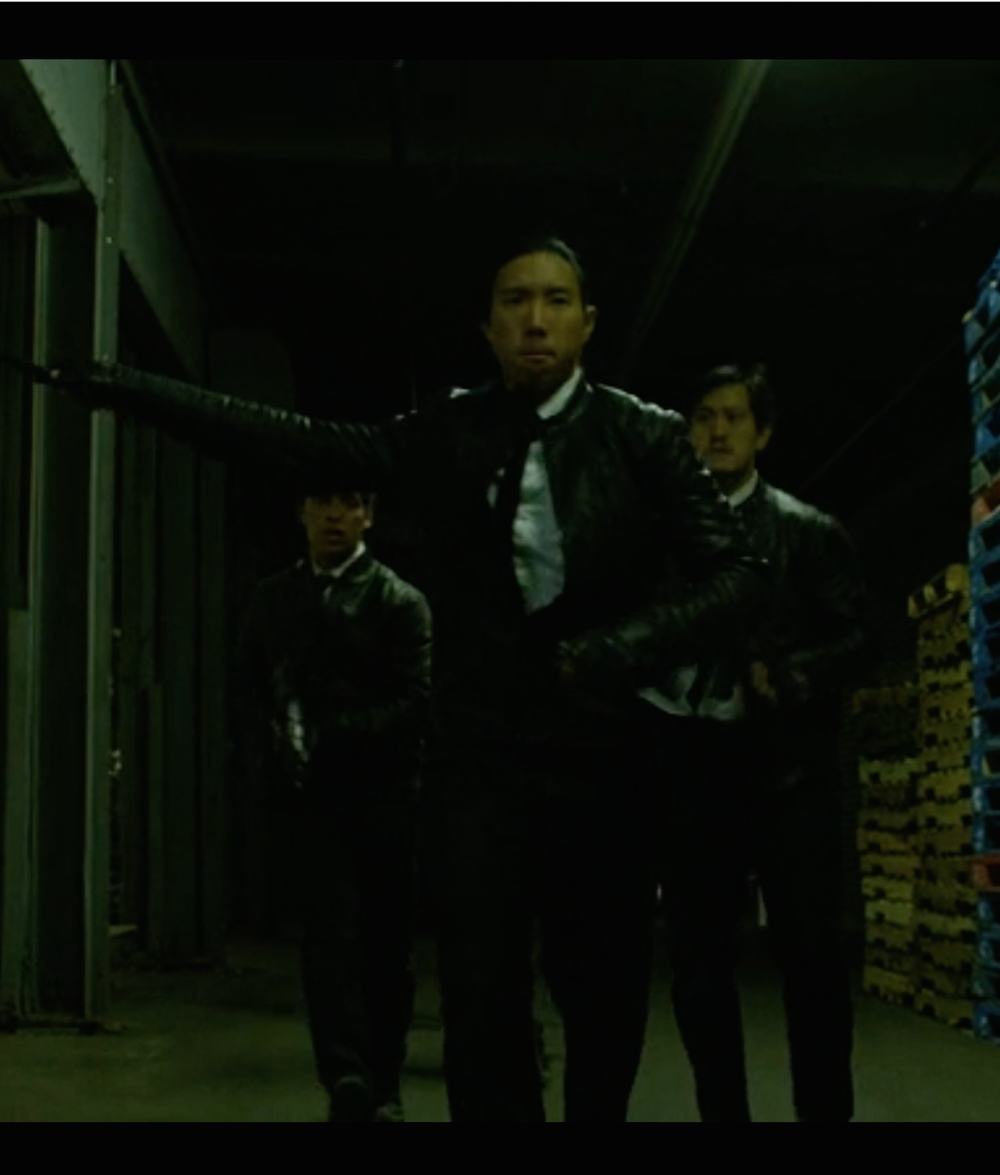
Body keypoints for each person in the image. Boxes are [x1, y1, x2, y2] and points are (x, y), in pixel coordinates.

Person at [29, 237, 771, 1123]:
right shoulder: (449, 434)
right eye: (515, 302)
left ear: (587, 322)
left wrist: (629, 644)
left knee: (603, 994)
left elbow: (741, 574)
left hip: (607, 758)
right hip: (479, 762)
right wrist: (130, 388)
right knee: (480, 1001)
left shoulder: (642, 436)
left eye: (556, 301)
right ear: (487, 328)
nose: (536, 320)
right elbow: (306, 444)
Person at [645, 365, 867, 1124]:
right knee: (698, 967)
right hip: (694, 769)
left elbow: (858, 640)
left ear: (762, 433)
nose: (717, 431)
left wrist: (794, 674)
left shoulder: (807, 532)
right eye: (704, 416)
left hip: (788, 772)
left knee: (811, 961)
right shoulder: (663, 538)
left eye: (734, 417)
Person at [237, 487, 432, 1124]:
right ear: (302, 512)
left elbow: (417, 702)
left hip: (384, 791)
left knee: (384, 942)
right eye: (321, 503)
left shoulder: (398, 601)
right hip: (312, 797)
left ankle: (383, 1077)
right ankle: (346, 1074)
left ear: (368, 515)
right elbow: (250, 685)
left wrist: (329, 733)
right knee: (328, 941)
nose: (333, 516)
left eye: (347, 504)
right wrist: (277, 745)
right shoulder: (274, 599)